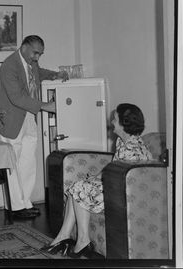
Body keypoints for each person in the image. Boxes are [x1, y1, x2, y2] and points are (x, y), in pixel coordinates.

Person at [41, 103, 153, 258]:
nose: (112, 122)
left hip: (123, 196)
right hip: (116, 186)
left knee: (80, 189)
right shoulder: (123, 141)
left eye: (115, 119)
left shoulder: (132, 150)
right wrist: (97, 177)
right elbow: (115, 169)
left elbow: (126, 180)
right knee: (78, 185)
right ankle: (64, 236)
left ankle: (82, 240)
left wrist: (98, 181)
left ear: (123, 123)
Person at [0, 35, 69, 219]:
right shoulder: (9, 66)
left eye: (40, 54)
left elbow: (37, 73)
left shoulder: (31, 62)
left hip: (28, 118)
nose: (37, 58)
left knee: (27, 163)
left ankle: (24, 203)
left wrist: (56, 75)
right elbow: (16, 97)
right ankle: (15, 208)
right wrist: (46, 106)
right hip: (10, 121)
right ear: (24, 47)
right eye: (35, 53)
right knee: (12, 166)